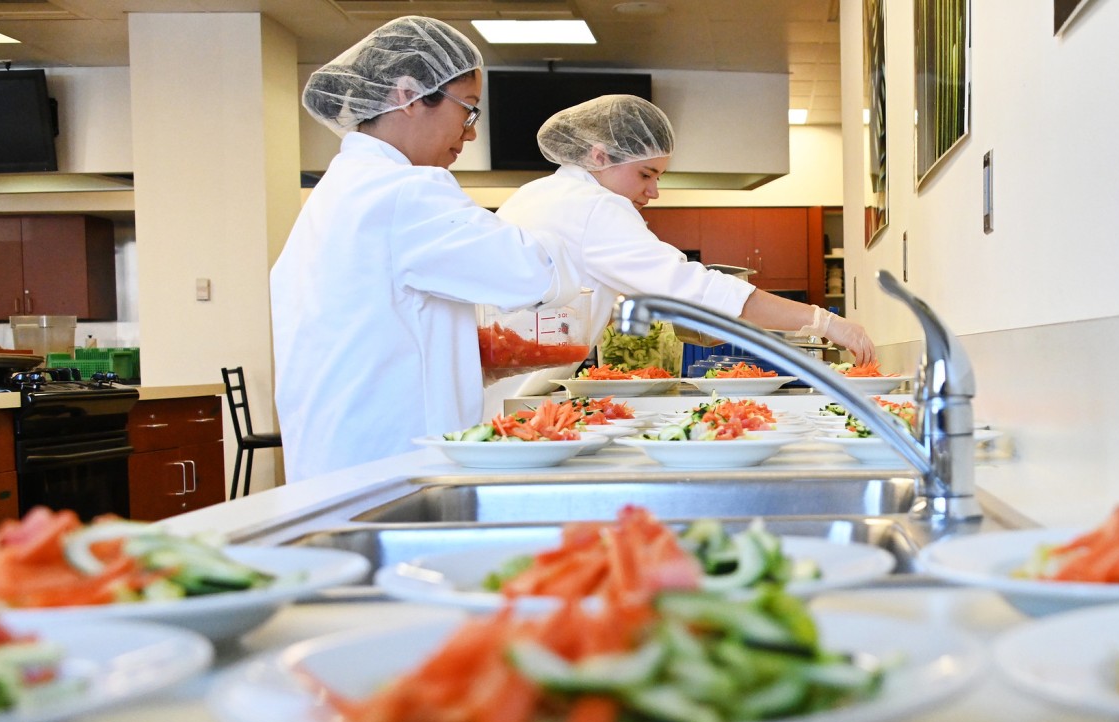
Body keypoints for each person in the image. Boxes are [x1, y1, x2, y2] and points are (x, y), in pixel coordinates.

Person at [270, 16, 579, 482]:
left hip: (340, 457)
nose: (471, 133)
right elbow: (535, 273)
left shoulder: (343, 190)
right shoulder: (404, 192)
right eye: (468, 109)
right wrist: (579, 214)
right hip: (392, 463)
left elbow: (386, 326)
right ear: (407, 93)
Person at [495, 94, 875, 365]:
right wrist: (826, 323)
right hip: (519, 385)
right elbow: (696, 289)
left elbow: (572, 295)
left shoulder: (538, 194)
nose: (653, 191)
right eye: (646, 174)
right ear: (599, 156)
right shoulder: (596, 206)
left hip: (507, 380)